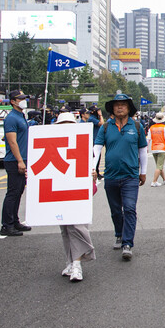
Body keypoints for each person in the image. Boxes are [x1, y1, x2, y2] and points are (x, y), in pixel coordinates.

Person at [92, 93, 147, 260]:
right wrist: (92, 168)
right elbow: (96, 148)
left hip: (130, 176)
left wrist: (143, 172)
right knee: (116, 210)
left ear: (129, 108)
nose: (120, 107)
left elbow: (143, 151)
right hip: (111, 176)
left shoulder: (137, 126)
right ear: (112, 109)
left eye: (123, 104)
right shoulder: (106, 127)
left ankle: (127, 243)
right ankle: (119, 233)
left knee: (129, 208)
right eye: (117, 105)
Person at [54, 112, 95, 282]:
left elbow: (91, 165)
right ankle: (70, 262)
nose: (67, 128)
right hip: (59, 191)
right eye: (63, 125)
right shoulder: (52, 143)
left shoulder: (83, 142)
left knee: (77, 227)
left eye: (69, 124)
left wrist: (92, 173)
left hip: (78, 192)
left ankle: (77, 264)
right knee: (65, 228)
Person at [1, 90, 32, 236]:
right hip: (14, 160)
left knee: (19, 191)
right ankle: (6, 225)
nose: (23, 100)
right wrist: (20, 160)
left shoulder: (21, 116)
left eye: (24, 98)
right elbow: (12, 142)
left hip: (22, 159)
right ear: (13, 101)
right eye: (20, 99)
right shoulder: (11, 118)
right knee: (13, 193)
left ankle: (14, 221)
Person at [147, 111, 165, 187]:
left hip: (154, 148)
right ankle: (154, 181)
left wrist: (147, 147)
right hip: (162, 148)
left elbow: (148, 139)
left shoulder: (151, 128)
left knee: (159, 165)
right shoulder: (164, 127)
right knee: (159, 166)